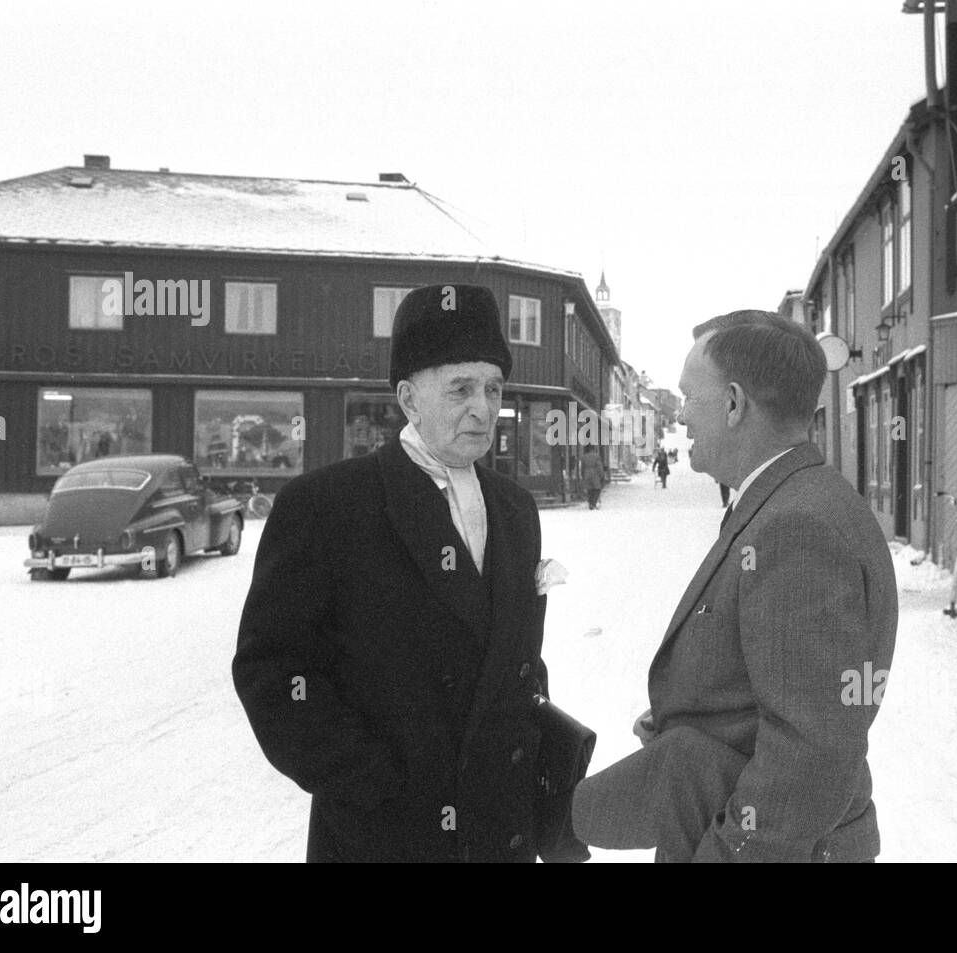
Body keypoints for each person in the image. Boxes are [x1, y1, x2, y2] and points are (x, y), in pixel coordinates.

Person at [233, 283, 560, 863]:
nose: (483, 408)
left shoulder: (515, 509)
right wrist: (366, 780)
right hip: (384, 838)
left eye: (493, 387)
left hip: (496, 837)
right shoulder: (328, 507)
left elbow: (509, 659)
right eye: (460, 388)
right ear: (409, 400)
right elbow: (273, 670)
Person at [571, 310, 898, 862]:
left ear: (733, 403)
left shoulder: (797, 527)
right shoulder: (784, 500)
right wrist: (692, 715)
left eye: (687, 397)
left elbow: (811, 750)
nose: (679, 416)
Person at [580, 445, 604, 510]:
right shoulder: (597, 457)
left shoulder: (584, 457)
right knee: (597, 489)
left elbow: (582, 468)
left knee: (589, 489)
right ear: (593, 449)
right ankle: (593, 503)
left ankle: (590, 503)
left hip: (586, 473)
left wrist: (583, 475)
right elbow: (599, 467)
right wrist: (601, 475)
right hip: (595, 474)